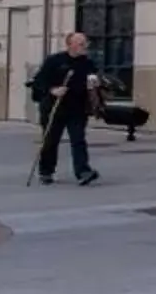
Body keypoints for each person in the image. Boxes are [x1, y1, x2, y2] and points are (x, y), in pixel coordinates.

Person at [28, 30, 104, 185]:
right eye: (81, 44)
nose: (85, 46)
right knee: (51, 140)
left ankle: (83, 171)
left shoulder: (87, 63)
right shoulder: (54, 61)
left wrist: (95, 84)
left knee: (78, 140)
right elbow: (38, 82)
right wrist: (53, 90)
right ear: (71, 45)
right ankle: (46, 171)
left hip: (76, 108)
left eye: (85, 43)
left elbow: (93, 81)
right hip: (54, 107)